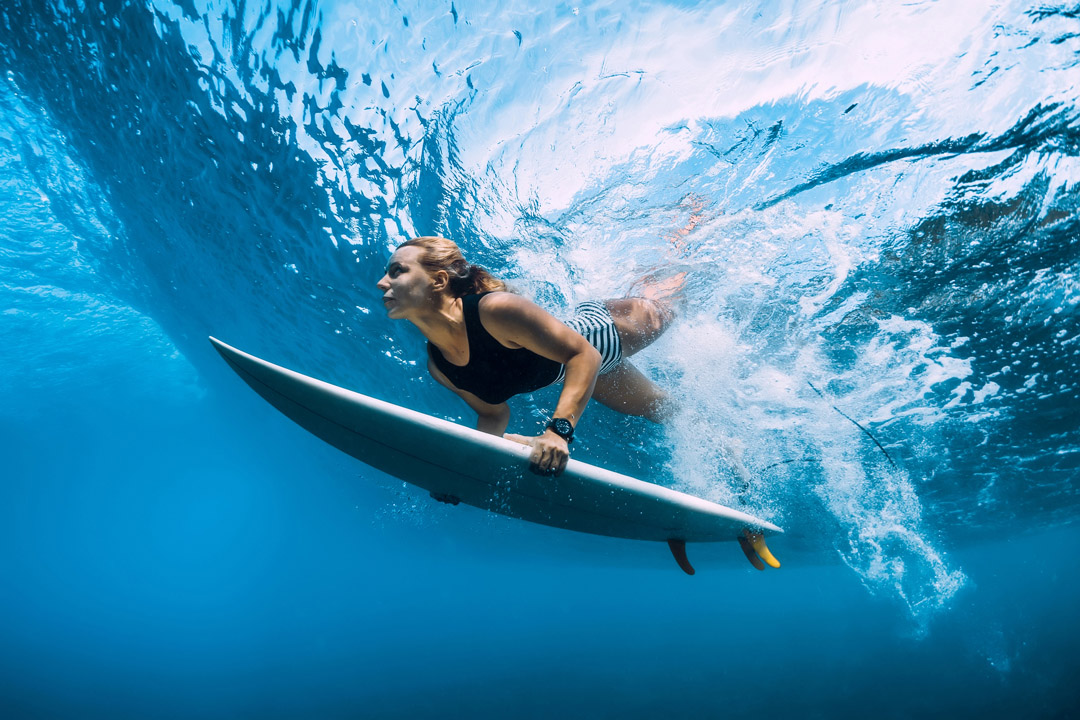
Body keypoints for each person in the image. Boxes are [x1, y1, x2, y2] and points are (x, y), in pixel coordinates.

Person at [376, 236, 679, 476]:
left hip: (608, 332)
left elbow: (584, 354)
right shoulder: (440, 365)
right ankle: (726, 442)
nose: (382, 283)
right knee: (667, 411)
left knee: (668, 300)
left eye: (396, 271)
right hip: (585, 373)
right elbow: (493, 413)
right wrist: (471, 469)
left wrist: (558, 433)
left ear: (439, 280)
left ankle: (684, 237)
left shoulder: (495, 310)